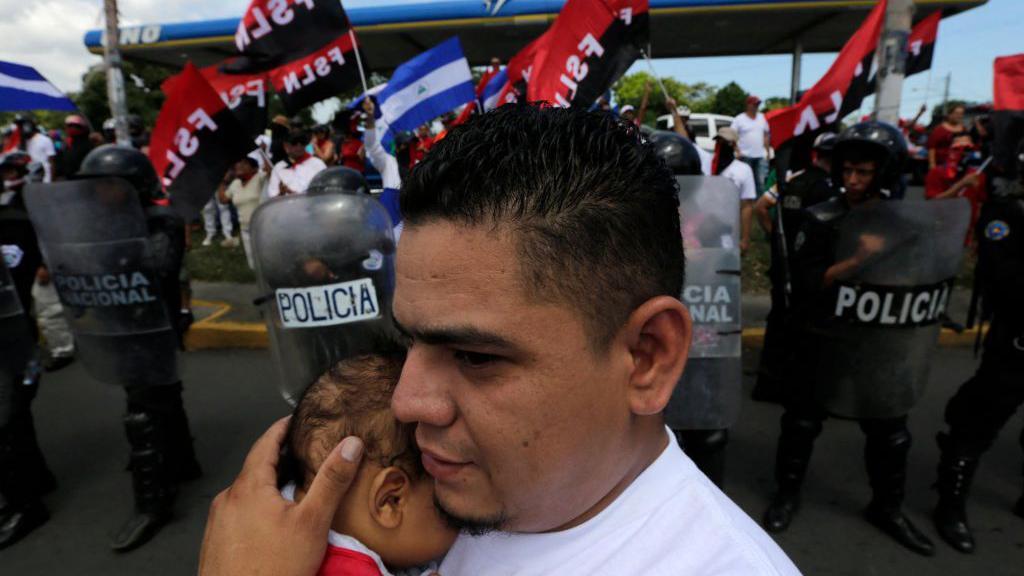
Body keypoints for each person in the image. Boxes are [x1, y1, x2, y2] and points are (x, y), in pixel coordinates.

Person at [199, 104, 800, 576]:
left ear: (647, 358)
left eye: (475, 356)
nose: (406, 403)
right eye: (408, 342)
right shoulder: (442, 487)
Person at [762, 122, 937, 556]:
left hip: (879, 342)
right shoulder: (821, 217)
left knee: (890, 428)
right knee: (802, 421)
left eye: (864, 172)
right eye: (848, 170)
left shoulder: (904, 223)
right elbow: (805, 283)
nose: (853, 180)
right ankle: (786, 495)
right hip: (824, 336)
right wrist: (859, 259)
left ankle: (888, 507)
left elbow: (924, 275)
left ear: (886, 173)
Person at [71, 145, 203, 551]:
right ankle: (182, 462)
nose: (99, 194)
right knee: (159, 396)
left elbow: (156, 269)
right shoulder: (108, 222)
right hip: (123, 330)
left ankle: (153, 503)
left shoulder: (160, 221)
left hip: (152, 330)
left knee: (143, 414)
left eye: (108, 186)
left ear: (134, 186)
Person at [278, 351, 458, 575]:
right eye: (450, 512)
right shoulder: (350, 569)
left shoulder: (271, 516)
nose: (462, 519)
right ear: (390, 500)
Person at [931, 139, 1024, 554]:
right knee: (974, 427)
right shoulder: (1006, 214)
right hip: (1015, 347)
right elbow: (1002, 281)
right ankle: (950, 507)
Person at [752, 133, 839, 402]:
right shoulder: (831, 189)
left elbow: (760, 207)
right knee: (805, 328)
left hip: (784, 265)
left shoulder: (790, 181)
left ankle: (768, 383)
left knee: (778, 320)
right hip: (811, 270)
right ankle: (794, 387)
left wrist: (775, 241)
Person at [0, 156, 54, 549]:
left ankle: (25, 504)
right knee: (15, 418)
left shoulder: (19, 223)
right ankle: (35, 480)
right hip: (17, 338)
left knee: (7, 421)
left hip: (13, 336)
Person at [218, 157, 269, 268]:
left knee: (267, 260)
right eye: (238, 163)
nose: (239, 165)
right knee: (254, 264)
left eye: (245, 163)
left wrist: (263, 155)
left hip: (263, 227)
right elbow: (223, 200)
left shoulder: (260, 178)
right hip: (245, 229)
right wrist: (223, 181)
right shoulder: (236, 183)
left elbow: (269, 173)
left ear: (254, 168)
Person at [712, 127, 757, 252]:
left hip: (727, 231)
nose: (721, 145)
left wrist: (745, 238)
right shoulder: (708, 163)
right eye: (718, 141)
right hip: (705, 228)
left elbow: (747, 206)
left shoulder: (743, 169)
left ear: (733, 144)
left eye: (725, 142)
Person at [268, 129, 328, 199]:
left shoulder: (318, 164)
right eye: (294, 143)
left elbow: (325, 192)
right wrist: (281, 194)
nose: (299, 146)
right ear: (285, 146)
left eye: (302, 142)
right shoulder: (278, 167)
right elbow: (272, 196)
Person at [730, 95, 771, 196]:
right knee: (746, 182)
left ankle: (757, 207)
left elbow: (765, 134)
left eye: (758, 104)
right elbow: (732, 135)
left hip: (760, 156)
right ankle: (745, 203)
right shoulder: (739, 119)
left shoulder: (762, 118)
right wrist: (737, 150)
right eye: (754, 104)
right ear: (748, 105)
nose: (756, 107)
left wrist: (768, 151)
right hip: (745, 156)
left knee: (760, 183)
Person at [928, 104, 967, 172]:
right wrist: (932, 165)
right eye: (956, 113)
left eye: (961, 114)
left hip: (959, 165)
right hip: (943, 165)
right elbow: (931, 148)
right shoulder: (939, 129)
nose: (959, 116)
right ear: (949, 114)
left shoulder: (963, 129)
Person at [56, 115, 95, 180]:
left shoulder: (88, 144)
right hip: (68, 180)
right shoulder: (65, 144)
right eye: (69, 126)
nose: (70, 128)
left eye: (74, 126)